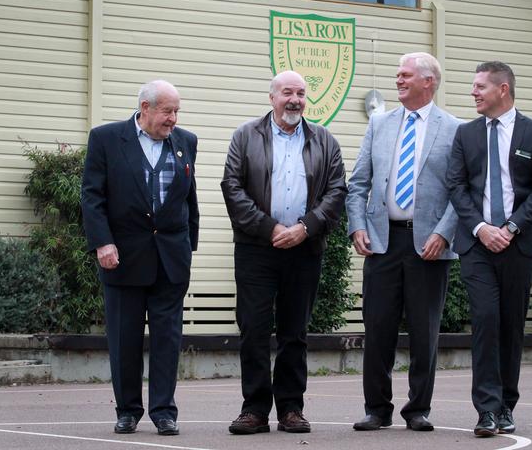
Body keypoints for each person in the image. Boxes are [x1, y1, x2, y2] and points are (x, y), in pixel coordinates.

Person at [220, 70, 347, 435]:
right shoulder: (246, 136)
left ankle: (291, 409)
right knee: (254, 329)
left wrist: (305, 228)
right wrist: (269, 227)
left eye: (301, 93)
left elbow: (337, 190)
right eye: (287, 92)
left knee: (295, 332)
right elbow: (232, 187)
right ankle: (254, 410)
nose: (295, 100)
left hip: (304, 248)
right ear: (272, 97)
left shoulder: (324, 140)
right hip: (256, 248)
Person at [346, 52, 459, 431]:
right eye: (397, 75)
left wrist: (444, 233)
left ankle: (418, 410)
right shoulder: (379, 124)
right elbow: (358, 183)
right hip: (382, 241)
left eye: (406, 75)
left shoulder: (455, 128)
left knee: (425, 332)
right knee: (378, 329)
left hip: (429, 245)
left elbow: (463, 191)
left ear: (429, 81)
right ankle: (376, 409)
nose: (398, 80)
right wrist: (357, 226)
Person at [81, 80, 199, 436]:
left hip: (171, 259)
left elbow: (188, 198)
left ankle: (164, 411)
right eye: (167, 111)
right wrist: (102, 242)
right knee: (124, 339)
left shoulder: (186, 142)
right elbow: (92, 196)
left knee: (168, 339)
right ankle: (128, 410)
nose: (173, 119)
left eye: (177, 111)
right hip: (122, 257)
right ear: (145, 108)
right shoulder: (106, 139)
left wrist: (189, 245)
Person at [446, 61, 532, 437]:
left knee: (511, 325)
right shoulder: (466, 134)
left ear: (503, 90)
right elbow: (456, 186)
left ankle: (507, 404)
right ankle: (486, 411)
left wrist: (510, 228)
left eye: (479, 86)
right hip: (477, 245)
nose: (473, 92)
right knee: (485, 321)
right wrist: (481, 228)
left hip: (519, 243)